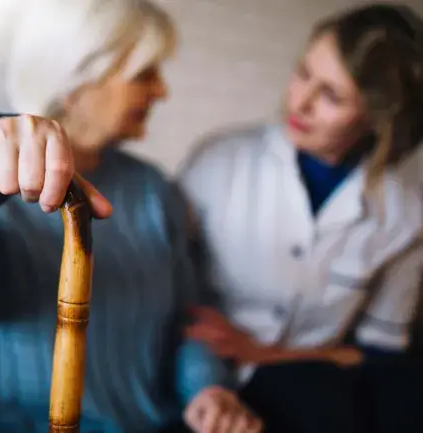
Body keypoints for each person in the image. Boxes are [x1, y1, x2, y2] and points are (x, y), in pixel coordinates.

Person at [0, 0, 263, 432]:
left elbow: (185, 320)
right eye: (145, 74)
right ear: (77, 81)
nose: (161, 91)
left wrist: (206, 389)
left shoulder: (152, 191)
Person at [178, 3, 423, 433]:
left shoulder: (407, 214)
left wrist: (260, 353)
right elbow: (160, 284)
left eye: (331, 96)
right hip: (199, 378)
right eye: (303, 73)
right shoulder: (218, 160)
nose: (300, 100)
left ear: (377, 118)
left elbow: (379, 351)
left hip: (312, 387)